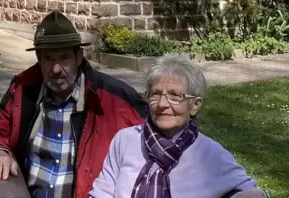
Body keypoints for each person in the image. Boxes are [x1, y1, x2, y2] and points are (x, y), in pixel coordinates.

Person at [0, 11, 149, 198]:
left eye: (64, 58)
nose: (56, 69)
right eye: (48, 58)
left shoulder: (113, 98)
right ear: (38, 58)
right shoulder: (25, 91)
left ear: (78, 57)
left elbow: (158, 137)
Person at [90, 54, 268, 198]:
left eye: (175, 96)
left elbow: (252, 193)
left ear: (195, 105)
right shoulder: (125, 140)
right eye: (156, 94)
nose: (162, 104)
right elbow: (102, 193)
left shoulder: (211, 154)